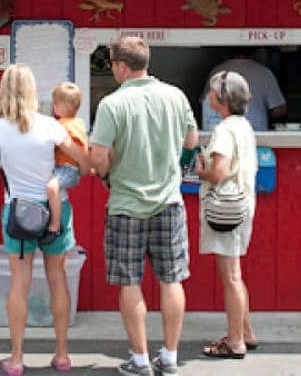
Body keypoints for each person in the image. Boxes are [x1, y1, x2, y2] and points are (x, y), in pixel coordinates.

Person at [88, 35, 199, 376]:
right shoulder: (175, 95)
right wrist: (173, 165)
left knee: (130, 281)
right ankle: (169, 356)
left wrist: (105, 174)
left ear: (120, 66)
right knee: (171, 280)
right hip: (169, 201)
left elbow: (98, 157)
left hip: (125, 204)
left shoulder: (112, 104)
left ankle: (139, 361)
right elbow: (192, 142)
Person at [0, 64, 87, 376]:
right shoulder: (51, 127)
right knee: (58, 281)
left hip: (17, 213)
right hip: (55, 209)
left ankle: (16, 359)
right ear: (33, 91)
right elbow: (83, 161)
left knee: (19, 284)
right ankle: (62, 354)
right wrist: (61, 177)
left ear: (3, 91)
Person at [196, 71, 259, 360]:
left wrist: (200, 171)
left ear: (222, 98)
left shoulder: (223, 130)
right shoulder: (243, 126)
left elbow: (219, 173)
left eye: (211, 91)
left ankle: (235, 342)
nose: (208, 95)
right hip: (242, 204)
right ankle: (245, 331)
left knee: (231, 276)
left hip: (225, 208)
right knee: (236, 273)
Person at [43, 81, 89, 244]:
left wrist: (84, 167)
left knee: (51, 187)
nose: (54, 106)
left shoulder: (64, 126)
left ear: (63, 106)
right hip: (67, 168)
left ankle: (54, 226)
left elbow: (81, 148)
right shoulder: (77, 123)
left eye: (56, 103)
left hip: (67, 169)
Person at [206, 51, 286, 132]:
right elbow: (278, 110)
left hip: (225, 131)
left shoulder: (216, 72)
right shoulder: (264, 72)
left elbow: (206, 104)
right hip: (257, 133)